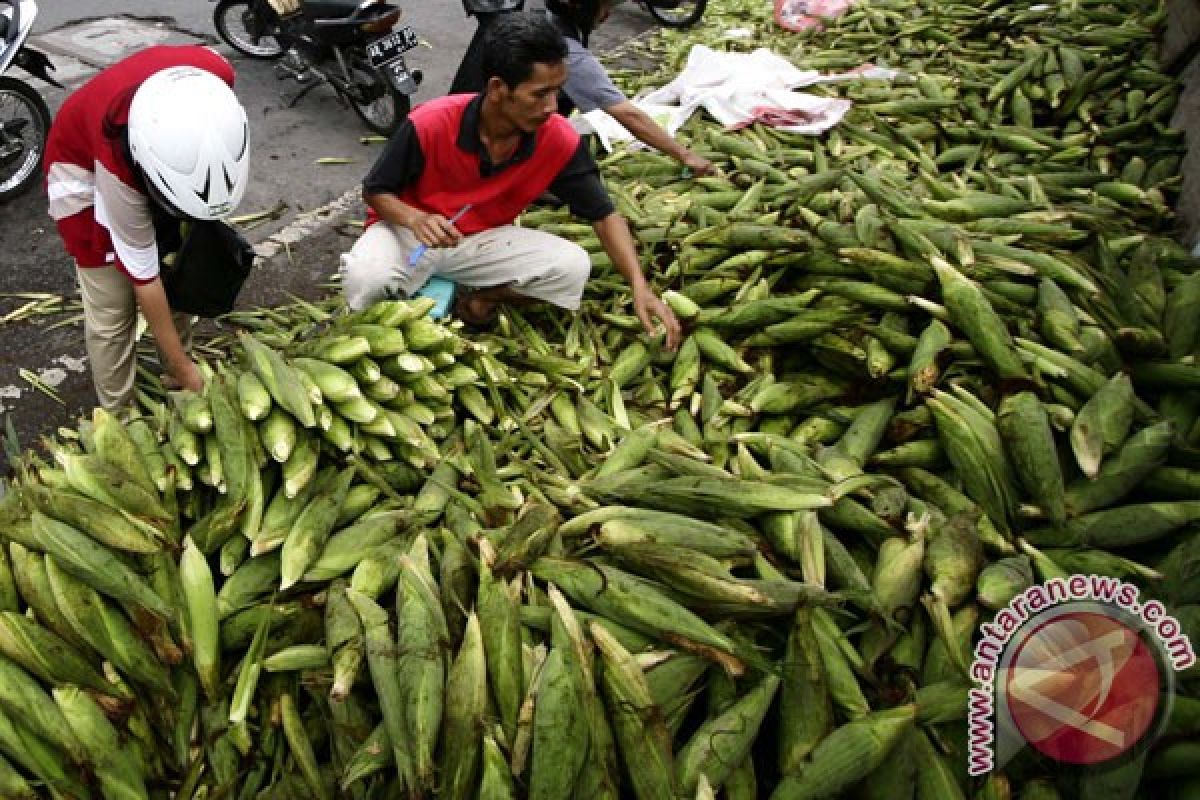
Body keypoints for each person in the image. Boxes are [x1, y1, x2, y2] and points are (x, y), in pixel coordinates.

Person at [341, 13, 682, 349]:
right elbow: (375, 191)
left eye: (558, 92)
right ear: (498, 89)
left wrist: (640, 285)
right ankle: (385, 327)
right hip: (411, 236)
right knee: (366, 278)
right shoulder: (431, 123)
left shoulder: (558, 139)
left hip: (481, 241)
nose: (553, 107)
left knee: (572, 268)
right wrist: (416, 219)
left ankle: (480, 301)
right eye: (540, 94)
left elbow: (604, 216)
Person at [44, 45, 250, 410]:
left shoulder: (216, 78)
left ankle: (177, 374)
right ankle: (120, 414)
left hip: (159, 162)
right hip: (82, 171)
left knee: (179, 266)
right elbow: (142, 274)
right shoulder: (117, 162)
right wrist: (184, 365)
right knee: (112, 304)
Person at [450, 0, 714, 176]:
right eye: (603, 6)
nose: (608, 14)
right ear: (584, 8)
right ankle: (522, 172)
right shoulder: (565, 52)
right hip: (480, 140)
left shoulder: (547, 22)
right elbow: (627, 114)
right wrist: (685, 155)